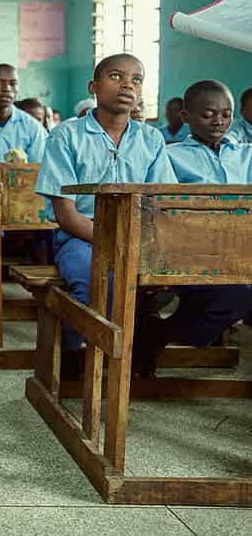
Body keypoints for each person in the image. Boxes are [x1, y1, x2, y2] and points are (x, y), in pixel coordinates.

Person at [35, 54, 177, 379]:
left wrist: (138, 243)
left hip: (139, 238)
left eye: (136, 79)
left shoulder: (151, 138)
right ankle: (78, 352)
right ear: (94, 86)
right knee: (94, 280)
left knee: (169, 280)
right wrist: (114, 241)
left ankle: (130, 347)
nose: (127, 84)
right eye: (116, 76)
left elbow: (161, 204)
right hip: (80, 237)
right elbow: (66, 214)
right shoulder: (66, 136)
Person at [134, 80, 252, 376]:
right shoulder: (171, 156)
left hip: (241, 251)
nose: (218, 122)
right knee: (235, 296)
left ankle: (159, 332)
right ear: (186, 117)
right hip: (188, 254)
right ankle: (157, 334)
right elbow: (160, 213)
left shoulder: (246, 154)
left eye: (226, 114)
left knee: (238, 295)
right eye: (208, 114)